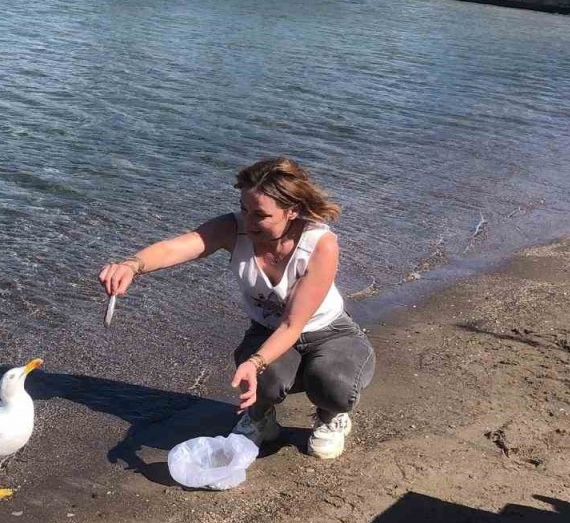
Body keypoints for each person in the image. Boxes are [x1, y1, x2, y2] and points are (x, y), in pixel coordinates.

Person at [98, 158, 376, 459]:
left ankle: (330, 416)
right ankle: (261, 417)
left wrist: (254, 361)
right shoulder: (233, 228)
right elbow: (174, 248)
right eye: (244, 209)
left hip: (329, 333)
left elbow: (291, 325)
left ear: (292, 210)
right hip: (267, 330)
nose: (248, 222)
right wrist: (132, 265)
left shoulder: (320, 243)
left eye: (261, 215)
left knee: (334, 386)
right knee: (265, 382)